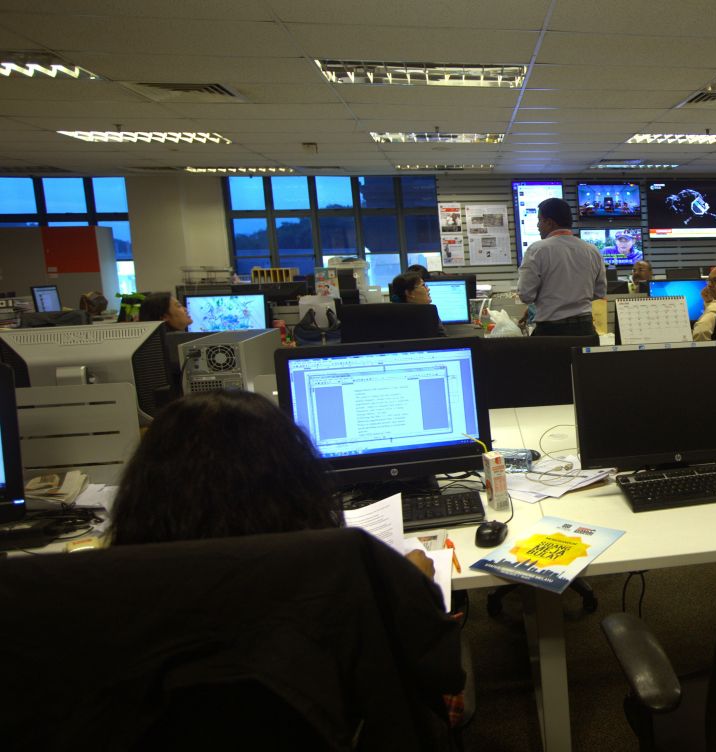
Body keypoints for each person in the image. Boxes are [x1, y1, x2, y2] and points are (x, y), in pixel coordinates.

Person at [107, 391, 466, 728]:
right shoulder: (338, 564)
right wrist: (415, 585)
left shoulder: (110, 587)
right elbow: (444, 672)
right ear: (294, 480)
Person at [517, 197, 605, 337]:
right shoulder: (592, 250)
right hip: (586, 330)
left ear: (550, 222)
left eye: (540, 220)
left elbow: (525, 295)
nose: (538, 225)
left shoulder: (537, 250)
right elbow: (600, 292)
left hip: (552, 332)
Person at [390, 271, 447, 336]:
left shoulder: (429, 311)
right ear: (409, 293)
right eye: (423, 285)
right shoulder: (427, 315)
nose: (428, 289)